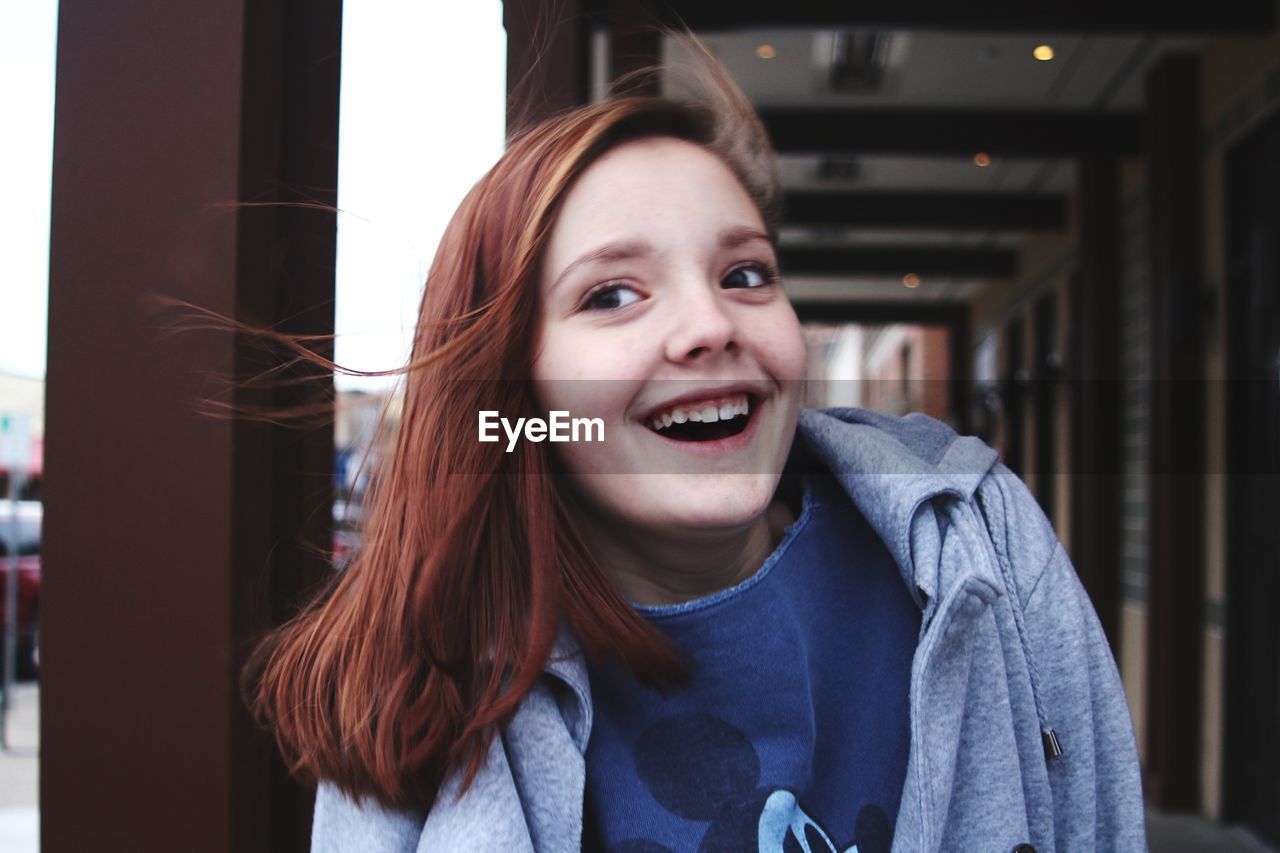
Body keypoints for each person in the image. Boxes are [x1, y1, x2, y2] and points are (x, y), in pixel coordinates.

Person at [245, 39, 1146, 853]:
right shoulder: (421, 678)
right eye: (612, 295)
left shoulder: (984, 545)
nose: (710, 323)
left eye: (745, 274)